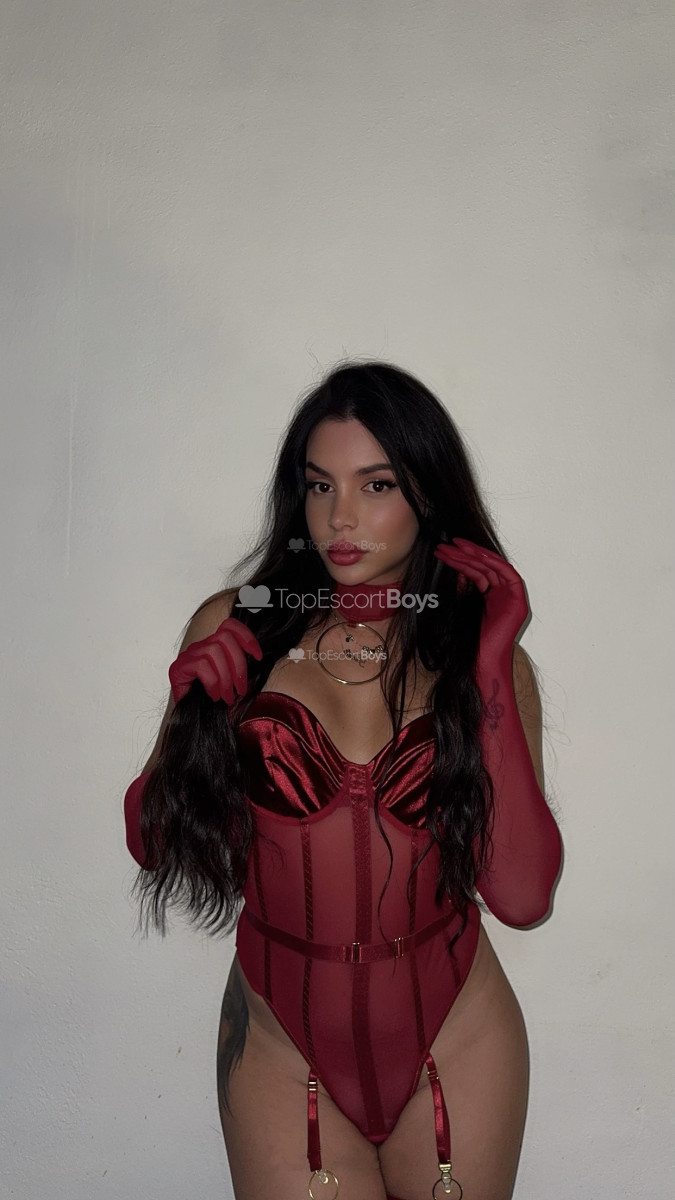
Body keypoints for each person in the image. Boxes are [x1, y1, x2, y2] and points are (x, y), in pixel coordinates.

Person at [124, 361, 562, 1200]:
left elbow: (521, 895)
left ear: (426, 493)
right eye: (320, 485)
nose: (341, 518)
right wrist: (192, 717)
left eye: (376, 485)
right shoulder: (238, 628)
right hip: (280, 1046)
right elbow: (152, 844)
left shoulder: (484, 663)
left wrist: (491, 664)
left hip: (456, 1041)